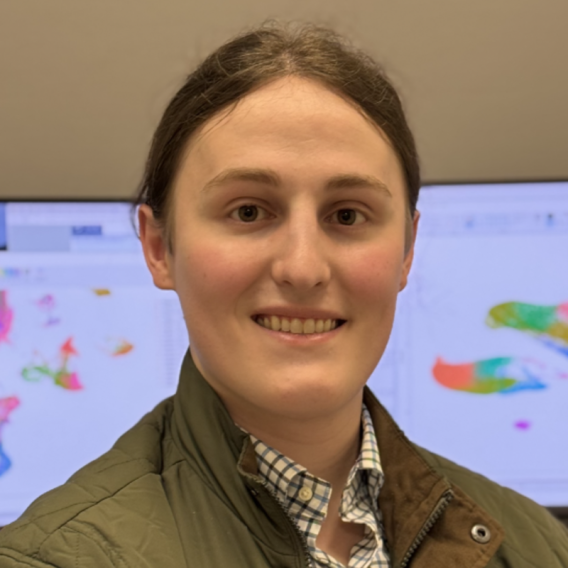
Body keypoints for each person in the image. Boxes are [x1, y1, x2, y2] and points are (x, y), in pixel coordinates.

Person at [0, 22, 567, 568]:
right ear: (158, 248)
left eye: (347, 215)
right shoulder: (52, 558)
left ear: (407, 250)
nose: (302, 268)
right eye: (248, 211)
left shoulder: (536, 545)